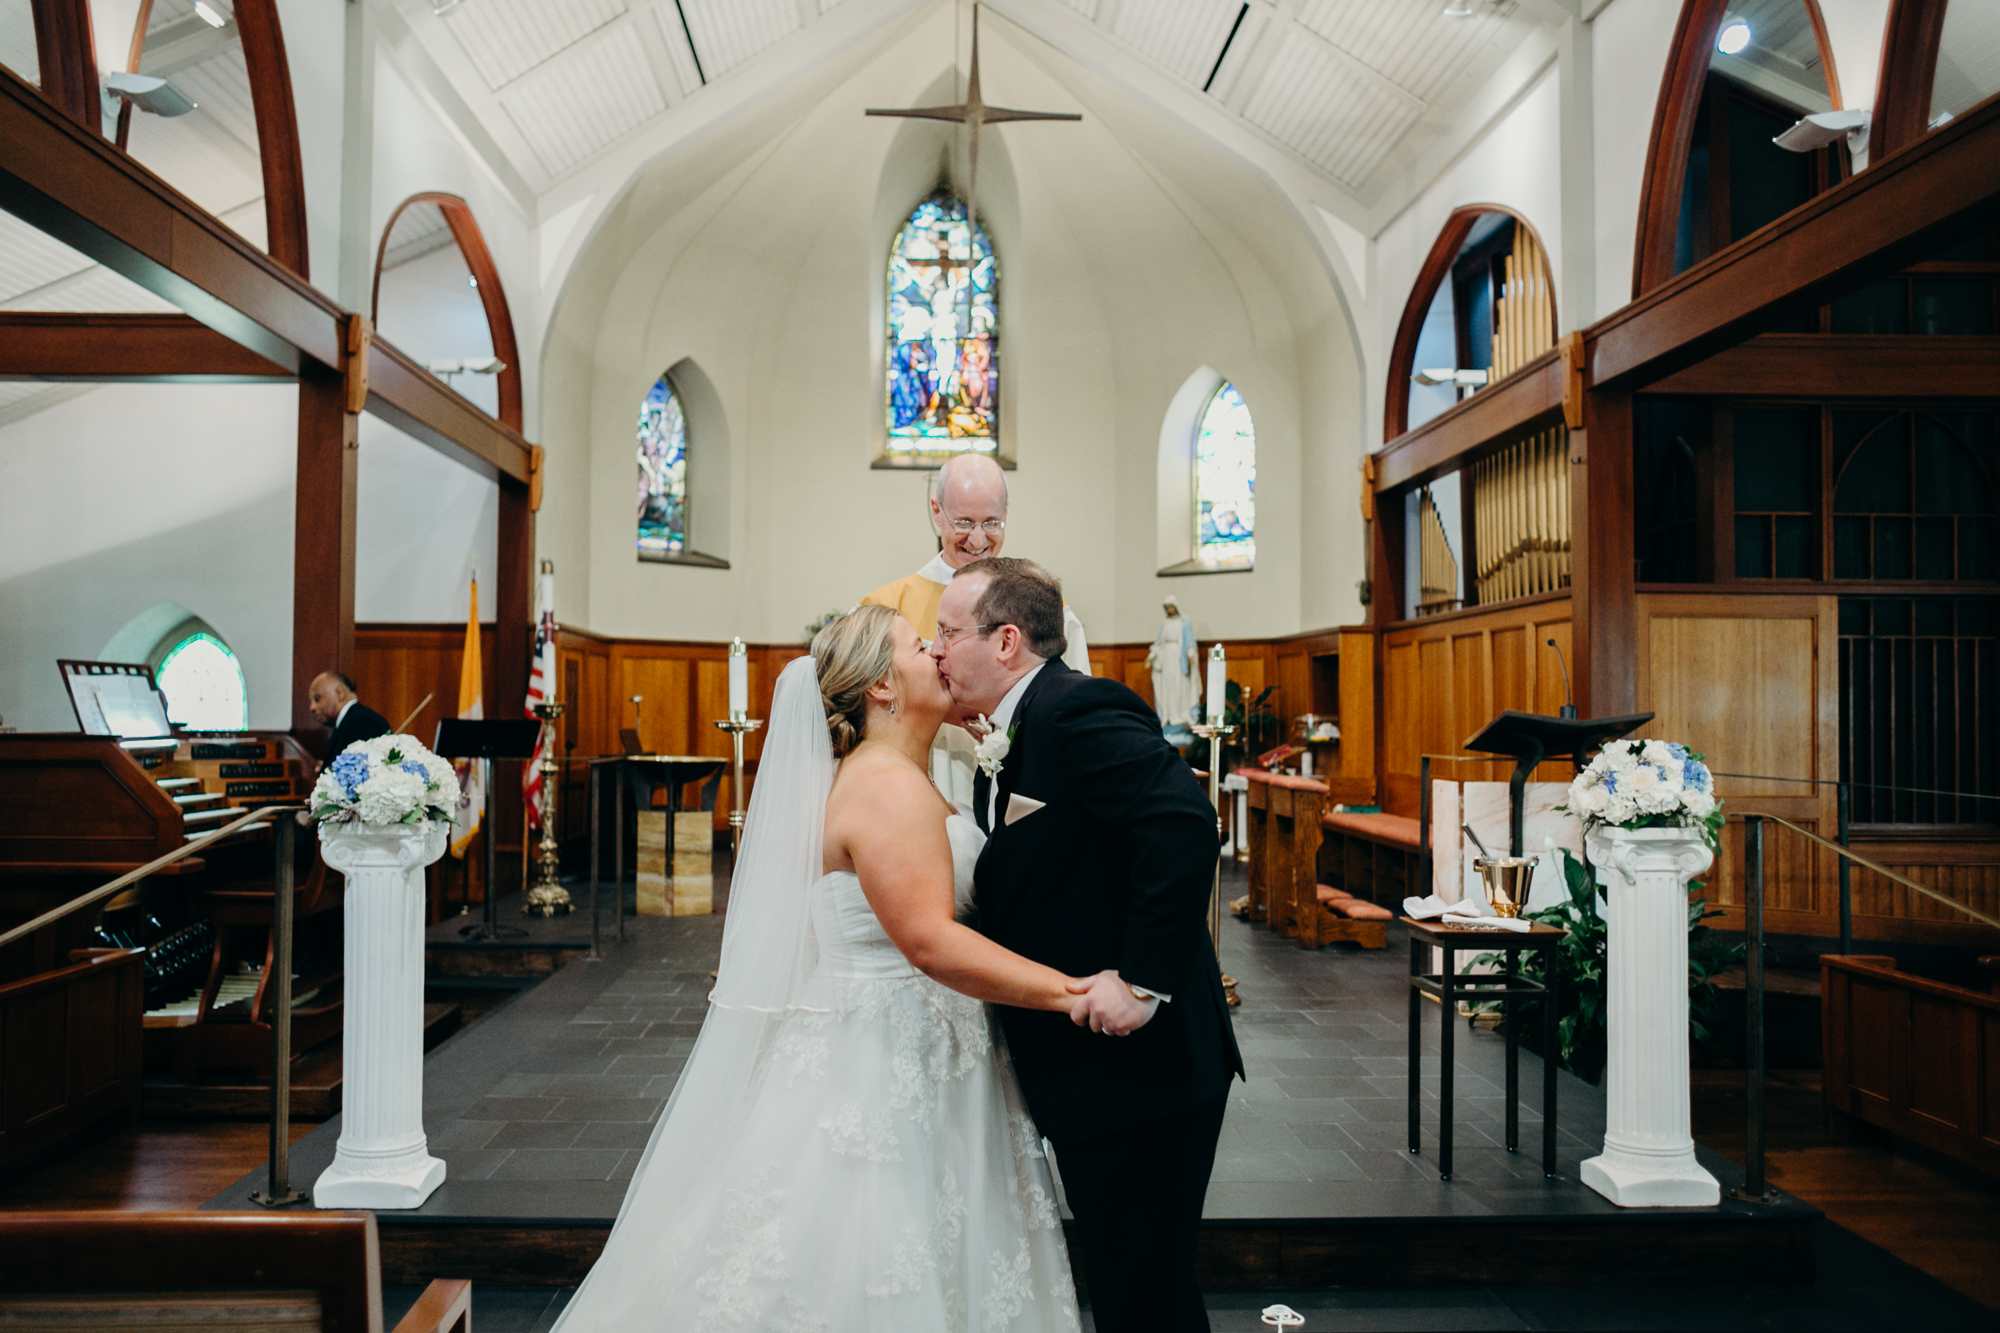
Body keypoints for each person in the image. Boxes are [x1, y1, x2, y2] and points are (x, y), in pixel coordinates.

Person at [550, 604, 1082, 1332]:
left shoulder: (897, 773)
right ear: (883, 688)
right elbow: (927, 941)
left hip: (927, 1047)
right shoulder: (885, 786)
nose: (939, 655)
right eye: (921, 645)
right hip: (888, 1061)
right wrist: (1070, 991)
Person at [931, 557, 1243, 1333]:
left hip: (1147, 1070)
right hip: (1098, 1074)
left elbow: (1182, 823)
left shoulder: (1075, 709)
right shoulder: (1009, 735)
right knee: (1129, 1280)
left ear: (1007, 642)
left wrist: (1140, 980)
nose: (935, 649)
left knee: (1146, 1292)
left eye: (946, 632)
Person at [859, 452, 1088, 805]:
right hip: (920, 791)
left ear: (1007, 512)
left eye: (992, 522)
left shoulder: (1047, 609)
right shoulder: (886, 609)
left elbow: (1074, 713)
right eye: (964, 522)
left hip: (1026, 793)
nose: (978, 540)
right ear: (937, 512)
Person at [308, 671, 389, 768]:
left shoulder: (359, 722)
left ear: (340, 693)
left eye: (317, 698)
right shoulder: (351, 721)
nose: (312, 707)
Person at [1146, 595, 1201, 732]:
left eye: (1169, 607)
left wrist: (1190, 655)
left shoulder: (1184, 622)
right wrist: (1151, 655)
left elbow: (1189, 641)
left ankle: (1181, 714)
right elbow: (1159, 642)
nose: (1168, 609)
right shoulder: (1165, 623)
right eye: (1166, 608)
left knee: (1180, 687)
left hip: (1178, 658)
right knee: (1168, 687)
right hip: (1166, 659)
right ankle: (1168, 715)